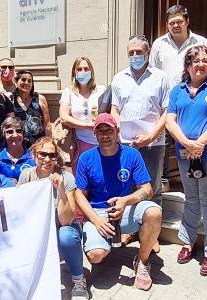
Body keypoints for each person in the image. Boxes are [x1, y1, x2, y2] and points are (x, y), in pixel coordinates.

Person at [75, 113, 162, 291]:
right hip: (98, 212)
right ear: (95, 134)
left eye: (109, 130)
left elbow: (147, 190)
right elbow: (79, 194)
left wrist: (126, 200)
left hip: (126, 209)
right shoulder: (86, 158)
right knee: (96, 256)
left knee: (154, 212)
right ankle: (104, 244)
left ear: (117, 132)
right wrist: (96, 221)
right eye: (100, 131)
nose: (105, 135)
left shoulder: (132, 154)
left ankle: (143, 261)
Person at [18, 136, 88, 299]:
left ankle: (78, 278)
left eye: (52, 155)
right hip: (38, 230)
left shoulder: (66, 177)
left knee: (66, 235)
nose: (47, 159)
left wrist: (61, 189)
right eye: (43, 154)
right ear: (34, 155)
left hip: (60, 229)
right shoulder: (27, 176)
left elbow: (66, 220)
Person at [150, 5, 207, 192]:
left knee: (196, 134)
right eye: (172, 23)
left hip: (195, 96)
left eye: (179, 22)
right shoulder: (159, 44)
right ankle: (165, 178)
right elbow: (153, 72)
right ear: (167, 25)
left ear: (187, 22)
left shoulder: (201, 42)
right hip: (168, 98)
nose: (176, 26)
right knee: (165, 138)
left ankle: (197, 176)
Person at [111, 35, 171, 208]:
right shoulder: (119, 78)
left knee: (152, 188)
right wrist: (118, 134)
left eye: (139, 51)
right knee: (126, 185)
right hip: (126, 144)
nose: (135, 55)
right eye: (131, 52)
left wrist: (151, 137)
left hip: (153, 144)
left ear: (148, 52)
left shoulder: (161, 77)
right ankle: (130, 230)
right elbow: (115, 109)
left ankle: (151, 230)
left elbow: (166, 111)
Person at [166, 45, 207, 276]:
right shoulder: (177, 91)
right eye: (196, 60)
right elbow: (170, 120)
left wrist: (199, 144)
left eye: (205, 60)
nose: (200, 64)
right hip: (185, 154)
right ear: (188, 66)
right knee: (191, 198)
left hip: (205, 152)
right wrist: (187, 144)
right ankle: (188, 242)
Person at [59, 56, 106, 174]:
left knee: (101, 177)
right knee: (83, 179)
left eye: (86, 69)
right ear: (74, 72)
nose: (83, 72)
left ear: (91, 71)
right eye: (79, 69)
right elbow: (64, 118)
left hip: (103, 142)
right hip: (80, 143)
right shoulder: (68, 92)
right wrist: (87, 126)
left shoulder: (101, 90)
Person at [10, 70, 51, 148]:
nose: (26, 83)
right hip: (17, 144)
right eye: (23, 80)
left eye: (29, 81)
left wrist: (49, 142)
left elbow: (47, 124)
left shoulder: (40, 99)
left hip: (38, 145)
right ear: (16, 82)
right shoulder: (11, 100)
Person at [0, 117, 35, 183]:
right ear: (4, 135)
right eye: (10, 132)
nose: (15, 135)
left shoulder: (33, 157)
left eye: (19, 131)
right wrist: (5, 183)